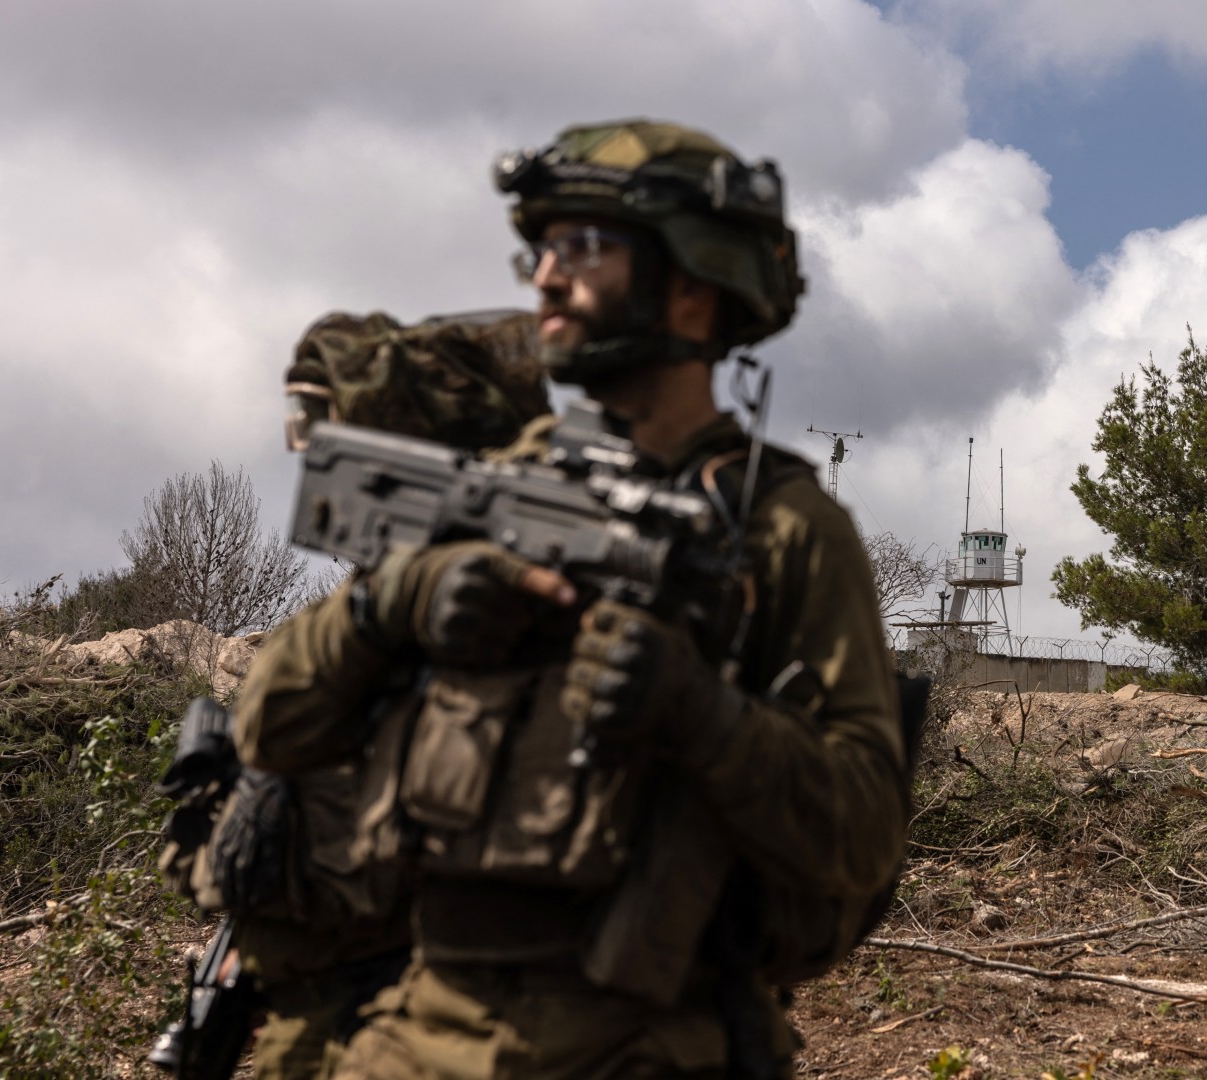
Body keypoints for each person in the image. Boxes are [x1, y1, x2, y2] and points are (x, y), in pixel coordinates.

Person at [231, 120, 908, 1080]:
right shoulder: (496, 484)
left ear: (692, 282)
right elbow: (269, 728)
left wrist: (702, 715)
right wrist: (396, 603)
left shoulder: (785, 530)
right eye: (541, 250)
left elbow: (866, 834)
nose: (546, 279)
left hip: (652, 1045)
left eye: (585, 247)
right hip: (417, 1032)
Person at [156, 310, 556, 1080]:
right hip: (314, 1011)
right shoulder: (362, 616)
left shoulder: (494, 624)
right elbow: (270, 762)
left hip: (435, 1016)